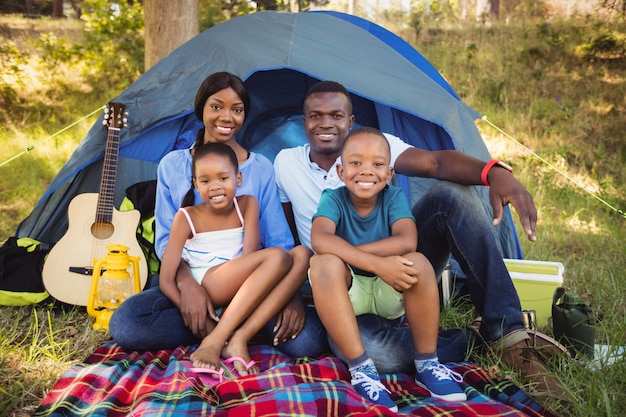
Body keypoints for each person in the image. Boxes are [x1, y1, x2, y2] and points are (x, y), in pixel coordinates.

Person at [273, 80, 566, 402]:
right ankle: (476, 340)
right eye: (315, 116)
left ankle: (508, 334)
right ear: (304, 121)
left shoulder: (375, 148)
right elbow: (295, 238)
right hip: (340, 282)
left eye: (336, 115)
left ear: (350, 120)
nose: (325, 123)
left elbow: (435, 163)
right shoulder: (287, 163)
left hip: (397, 272)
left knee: (451, 195)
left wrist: (495, 173)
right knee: (372, 354)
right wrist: (295, 291)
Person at [110, 72, 328, 367]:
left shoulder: (259, 168)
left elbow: (279, 242)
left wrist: (290, 295)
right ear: (200, 108)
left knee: (309, 340)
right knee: (127, 324)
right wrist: (188, 286)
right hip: (196, 277)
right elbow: (165, 242)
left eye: (236, 109)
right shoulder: (173, 166)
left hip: (253, 281)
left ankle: (223, 329)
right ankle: (218, 327)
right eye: (216, 106)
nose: (226, 117)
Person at [310, 127, 466, 410]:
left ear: (390, 173)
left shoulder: (393, 198)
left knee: (417, 260)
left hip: (387, 290)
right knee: (323, 263)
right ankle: (361, 369)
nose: (367, 171)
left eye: (378, 164)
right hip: (350, 294)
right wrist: (375, 263)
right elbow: (320, 239)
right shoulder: (332, 198)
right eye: (356, 163)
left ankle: (428, 363)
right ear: (341, 172)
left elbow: (408, 240)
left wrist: (351, 253)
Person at [160, 141, 292, 375]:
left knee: (300, 255)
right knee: (279, 257)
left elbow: (249, 260)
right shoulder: (186, 217)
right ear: (195, 185)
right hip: (209, 285)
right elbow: (166, 280)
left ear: (238, 179)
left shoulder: (248, 204)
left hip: (241, 283)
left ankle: (238, 338)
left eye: (223, 178)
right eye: (205, 181)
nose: (215, 187)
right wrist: (194, 312)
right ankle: (217, 338)